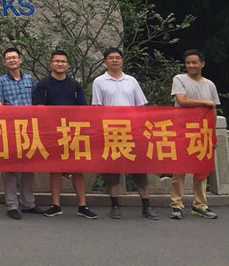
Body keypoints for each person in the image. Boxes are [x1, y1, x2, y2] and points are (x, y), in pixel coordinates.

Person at [91, 47, 158, 220]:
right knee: (112, 170)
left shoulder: (131, 80)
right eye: (111, 58)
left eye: (117, 57)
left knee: (139, 169)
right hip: (111, 131)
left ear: (122, 60)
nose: (114, 60)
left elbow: (141, 106)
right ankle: (115, 205)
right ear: (105, 61)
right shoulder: (99, 81)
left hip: (133, 130)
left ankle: (146, 206)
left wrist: (143, 127)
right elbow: (97, 107)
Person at [32, 49, 97, 219]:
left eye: (63, 61)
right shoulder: (43, 84)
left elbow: (83, 108)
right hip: (52, 132)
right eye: (57, 61)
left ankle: (82, 205)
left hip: (73, 131)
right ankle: (55, 205)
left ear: (67, 65)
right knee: (55, 169)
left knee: (77, 169)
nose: (60, 64)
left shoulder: (74, 85)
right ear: (51, 63)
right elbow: (39, 107)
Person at [169, 49, 220, 220]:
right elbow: (181, 100)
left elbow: (213, 110)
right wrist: (204, 102)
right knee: (179, 170)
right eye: (188, 62)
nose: (191, 65)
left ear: (202, 64)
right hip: (182, 130)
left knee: (201, 170)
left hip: (202, 132)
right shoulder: (179, 79)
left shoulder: (209, 85)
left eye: (194, 62)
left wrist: (212, 133)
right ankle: (176, 204)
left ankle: (200, 205)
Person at [0, 47, 39, 219]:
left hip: (28, 128)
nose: (12, 60)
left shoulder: (29, 79)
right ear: (5, 62)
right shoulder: (1, 81)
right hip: (10, 129)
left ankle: (28, 203)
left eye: (14, 57)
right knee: (10, 168)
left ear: (20, 60)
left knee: (28, 167)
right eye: (8, 58)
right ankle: (12, 205)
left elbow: (34, 102)